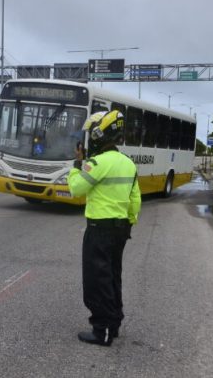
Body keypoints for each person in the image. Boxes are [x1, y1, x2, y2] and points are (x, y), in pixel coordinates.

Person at [67, 110, 141, 347]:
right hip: (120, 228)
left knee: (97, 281)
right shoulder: (129, 164)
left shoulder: (97, 163)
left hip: (99, 229)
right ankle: (114, 324)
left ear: (100, 135)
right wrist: (129, 221)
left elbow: (76, 188)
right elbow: (135, 199)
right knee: (112, 277)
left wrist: (77, 164)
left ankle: (102, 331)